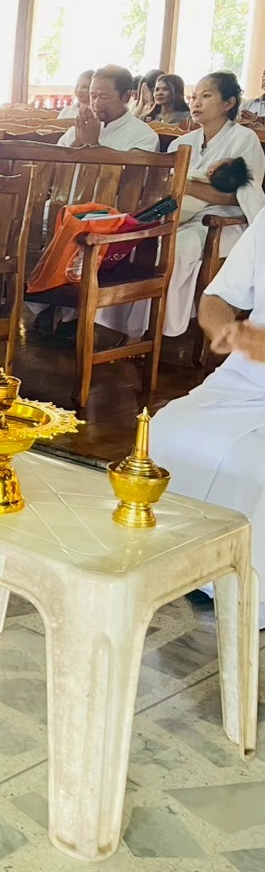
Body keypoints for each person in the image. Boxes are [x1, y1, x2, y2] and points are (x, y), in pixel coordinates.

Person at [151, 217, 265, 629]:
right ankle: (169, 558)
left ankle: (243, 583)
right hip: (247, 376)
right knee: (167, 429)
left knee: (256, 464)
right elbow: (218, 296)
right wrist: (227, 330)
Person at [111, 71, 265, 340]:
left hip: (224, 222)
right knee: (142, 239)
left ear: (228, 103)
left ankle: (157, 330)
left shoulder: (244, 139)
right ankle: (131, 326)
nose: (196, 103)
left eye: (207, 96)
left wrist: (188, 187)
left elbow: (237, 197)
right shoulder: (184, 142)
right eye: (195, 96)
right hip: (179, 216)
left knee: (180, 247)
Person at [58, 66, 160, 152]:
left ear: (126, 96)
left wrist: (93, 146)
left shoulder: (144, 137)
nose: (96, 103)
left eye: (103, 97)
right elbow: (54, 167)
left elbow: (129, 175)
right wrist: (77, 143)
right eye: (93, 96)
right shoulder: (80, 129)